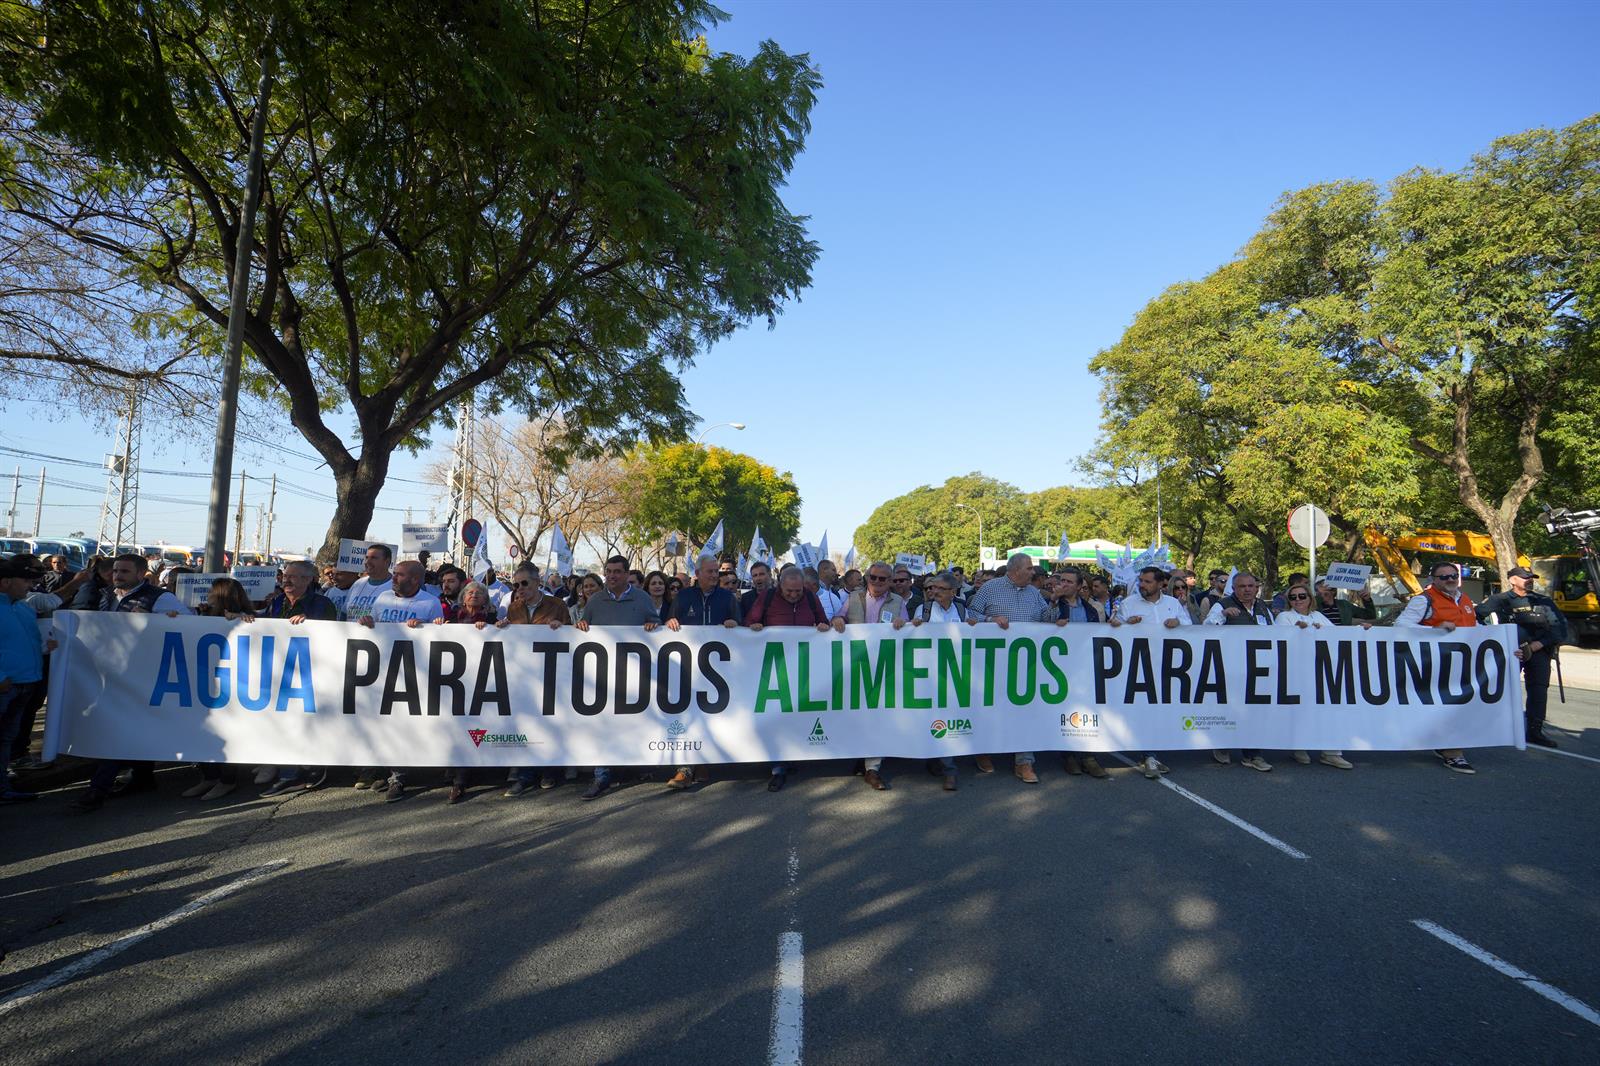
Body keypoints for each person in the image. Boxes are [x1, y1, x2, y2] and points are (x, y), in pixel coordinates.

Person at [71, 555, 195, 812]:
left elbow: (189, 624)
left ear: (141, 574)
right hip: (111, 674)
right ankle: (142, 778)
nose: (118, 575)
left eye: (125, 571)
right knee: (129, 726)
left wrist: (168, 620)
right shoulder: (107, 595)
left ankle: (98, 788)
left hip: (144, 676)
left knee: (118, 728)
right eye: (116, 570)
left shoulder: (160, 598)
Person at [961, 552, 1055, 784]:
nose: (1034, 572)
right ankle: (983, 750)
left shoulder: (1035, 593)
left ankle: (1024, 761)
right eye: (1029, 568)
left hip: (1025, 662)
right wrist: (990, 621)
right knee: (990, 706)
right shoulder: (991, 588)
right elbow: (970, 614)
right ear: (1014, 570)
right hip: (993, 661)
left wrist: (1054, 606)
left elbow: (1046, 618)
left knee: (1025, 709)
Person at [573, 555, 662, 798]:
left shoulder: (643, 599)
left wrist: (653, 626)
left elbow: (658, 627)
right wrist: (581, 627)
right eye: (608, 571)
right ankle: (601, 776)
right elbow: (583, 628)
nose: (611, 576)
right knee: (602, 725)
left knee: (634, 722)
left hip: (634, 675)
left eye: (617, 572)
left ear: (626, 574)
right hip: (602, 676)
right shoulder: (595, 601)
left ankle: (637, 766)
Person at [355, 560, 444, 801]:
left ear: (415, 580)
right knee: (381, 723)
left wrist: (425, 628)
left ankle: (398, 777)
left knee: (402, 724)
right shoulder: (383, 597)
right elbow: (372, 624)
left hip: (412, 673)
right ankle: (384, 768)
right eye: (394, 574)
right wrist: (366, 622)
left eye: (400, 575)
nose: (394, 578)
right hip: (381, 670)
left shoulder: (430, 602)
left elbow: (440, 636)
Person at [746, 565, 833, 791]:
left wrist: (824, 626)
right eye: (789, 591)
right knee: (776, 714)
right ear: (780, 585)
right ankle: (777, 768)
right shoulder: (766, 598)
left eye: (798, 591)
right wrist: (755, 626)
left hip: (804, 667)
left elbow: (823, 621)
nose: (794, 595)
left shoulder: (811, 599)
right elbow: (749, 622)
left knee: (798, 713)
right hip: (774, 667)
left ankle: (793, 756)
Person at [258, 560, 340, 796]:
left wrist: (309, 625)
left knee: (305, 723)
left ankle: (308, 770)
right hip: (279, 673)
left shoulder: (322, 604)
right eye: (285, 575)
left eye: (293, 576)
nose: (286, 580)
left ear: (308, 580)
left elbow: (331, 635)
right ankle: (290, 773)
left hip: (310, 674)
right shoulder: (276, 602)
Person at [662, 555, 743, 790]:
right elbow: (668, 622)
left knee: (712, 717)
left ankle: (703, 761)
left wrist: (733, 624)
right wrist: (670, 623)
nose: (715, 575)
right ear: (697, 573)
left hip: (719, 671)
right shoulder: (684, 596)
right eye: (710, 572)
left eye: (717, 571)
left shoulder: (727, 597)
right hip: (687, 668)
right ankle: (686, 768)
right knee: (688, 715)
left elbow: (739, 623)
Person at [498, 565, 574, 797]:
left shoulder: (557, 606)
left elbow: (572, 636)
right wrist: (503, 628)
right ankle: (525, 774)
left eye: (524, 584)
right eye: (515, 585)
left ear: (537, 583)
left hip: (551, 676)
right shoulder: (514, 608)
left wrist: (562, 628)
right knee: (525, 723)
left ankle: (549, 769)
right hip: (523, 676)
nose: (519, 589)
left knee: (549, 721)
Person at [177, 578, 256, 800]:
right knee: (202, 731)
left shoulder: (247, 617)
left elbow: (258, 633)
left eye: (212, 592)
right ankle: (209, 777)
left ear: (221, 594)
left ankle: (227, 780)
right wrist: (174, 620)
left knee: (226, 733)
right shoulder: (207, 616)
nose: (208, 595)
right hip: (205, 685)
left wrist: (241, 619)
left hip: (232, 686)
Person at [1394, 563, 1477, 774]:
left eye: (1453, 575)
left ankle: (1445, 744)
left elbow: (1475, 629)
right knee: (1447, 706)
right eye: (1444, 577)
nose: (1450, 579)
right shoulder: (1424, 600)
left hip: (1461, 664)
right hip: (1434, 664)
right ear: (1434, 580)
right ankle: (1453, 753)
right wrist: (1433, 629)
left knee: (1457, 706)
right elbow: (1401, 625)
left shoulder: (1465, 600)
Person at [1478, 566, 1567, 748]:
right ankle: (1494, 726)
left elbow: (1560, 629)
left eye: (1531, 578)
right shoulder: (1500, 600)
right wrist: (1496, 639)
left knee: (1538, 691)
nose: (1529, 580)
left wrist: (1536, 645)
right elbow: (1476, 616)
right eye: (1525, 577)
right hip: (1510, 652)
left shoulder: (1543, 601)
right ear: (1512, 580)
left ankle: (1534, 731)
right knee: (1502, 690)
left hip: (1539, 652)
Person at [1274, 583, 1355, 770]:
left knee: (1328, 710)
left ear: (1310, 598)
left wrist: (1360, 630)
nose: (1297, 600)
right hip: (1296, 670)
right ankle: (1299, 746)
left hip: (1321, 669)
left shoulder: (1318, 616)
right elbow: (1281, 640)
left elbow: (1338, 636)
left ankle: (1331, 752)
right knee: (1301, 710)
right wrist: (1300, 630)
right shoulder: (1284, 617)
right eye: (1293, 597)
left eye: (1302, 596)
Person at [909, 572, 978, 790]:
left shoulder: (961, 609)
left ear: (952, 591)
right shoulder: (925, 610)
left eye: (939, 588)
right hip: (928, 672)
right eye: (932, 588)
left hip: (954, 673)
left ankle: (949, 770)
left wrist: (982, 624)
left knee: (946, 719)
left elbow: (977, 627)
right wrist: (913, 626)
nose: (934, 591)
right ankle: (934, 758)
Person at [1203, 571, 1275, 771]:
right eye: (1242, 587)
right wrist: (1223, 616)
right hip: (1230, 668)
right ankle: (1222, 745)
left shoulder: (1263, 607)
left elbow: (1276, 633)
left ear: (1257, 588)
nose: (1247, 590)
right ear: (1233, 589)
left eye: (1251, 586)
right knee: (1228, 708)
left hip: (1257, 669)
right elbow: (1205, 628)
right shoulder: (1222, 605)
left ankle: (1252, 754)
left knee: (1253, 711)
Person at [1049, 566, 1112, 778]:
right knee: (1063, 709)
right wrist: (1053, 607)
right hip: (1058, 666)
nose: (1063, 584)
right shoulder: (1053, 603)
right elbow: (1040, 624)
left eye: (1068, 582)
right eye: (1061, 581)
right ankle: (1068, 755)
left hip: (1085, 666)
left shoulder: (1091, 610)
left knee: (1087, 709)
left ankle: (1088, 755)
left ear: (1078, 586)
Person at [439, 581, 498, 803]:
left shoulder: (492, 620)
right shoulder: (450, 619)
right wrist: (436, 626)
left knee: (471, 726)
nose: (474, 595)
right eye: (470, 592)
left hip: (482, 682)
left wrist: (498, 628)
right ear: (463, 598)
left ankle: (459, 781)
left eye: (479, 593)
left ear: (486, 599)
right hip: (453, 682)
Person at [343, 543, 394, 621]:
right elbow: (344, 613)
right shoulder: (358, 584)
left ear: (386, 562)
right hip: (351, 633)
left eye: (373, 558)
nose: (367, 562)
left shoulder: (396, 586)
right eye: (367, 558)